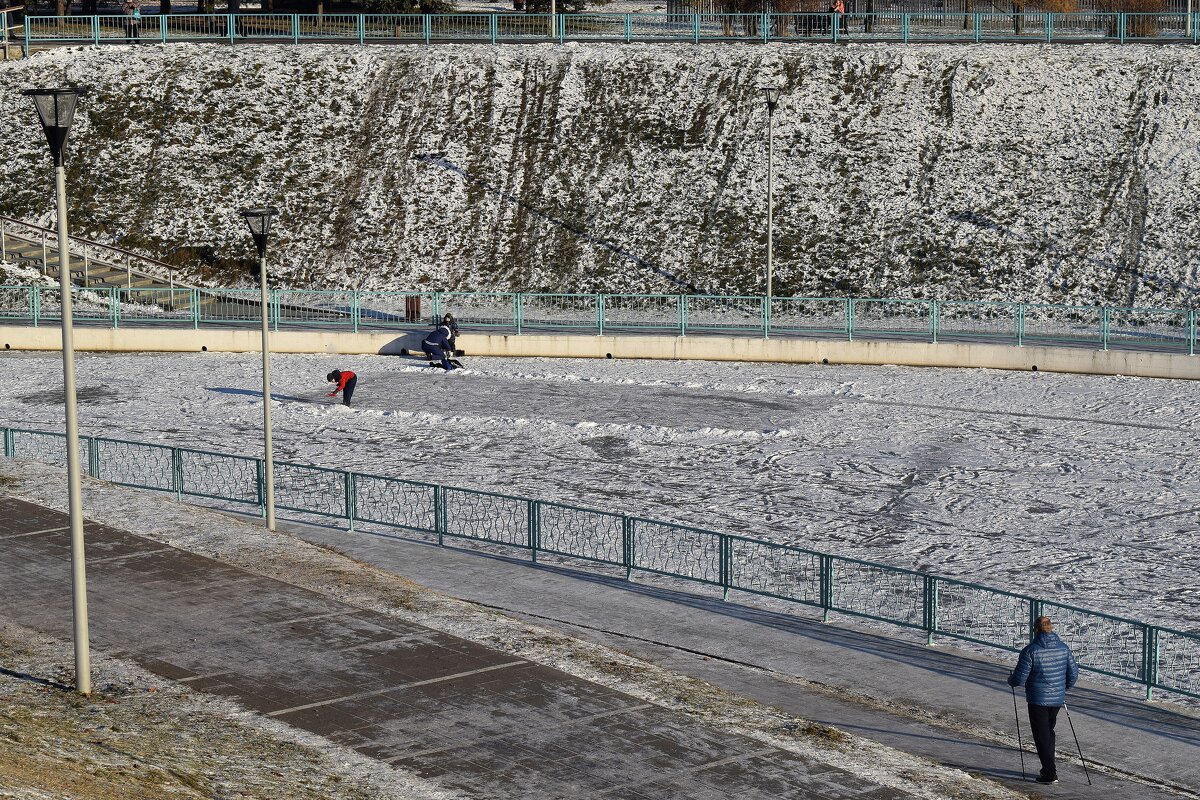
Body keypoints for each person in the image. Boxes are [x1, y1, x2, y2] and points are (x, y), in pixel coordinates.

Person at [1007, 616, 1079, 785]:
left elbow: (1019, 679)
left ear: (1036, 630)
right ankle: (1049, 767)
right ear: (1051, 628)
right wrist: (1062, 688)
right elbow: (1074, 674)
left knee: (1041, 736)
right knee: (1048, 733)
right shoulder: (1063, 648)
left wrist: (1010, 681)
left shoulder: (1030, 650)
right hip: (1057, 700)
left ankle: (1049, 773)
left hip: (1038, 700)